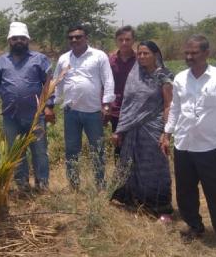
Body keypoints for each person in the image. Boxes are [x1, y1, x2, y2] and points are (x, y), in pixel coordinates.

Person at [162, 35, 216, 254]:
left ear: (206, 53)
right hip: (184, 143)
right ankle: (195, 226)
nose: (189, 57)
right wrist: (167, 133)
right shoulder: (180, 78)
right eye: (187, 53)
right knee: (185, 191)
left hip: (210, 145)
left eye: (194, 53)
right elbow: (175, 108)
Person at [0, 22, 54, 192]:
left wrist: (49, 106)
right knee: (16, 152)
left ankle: (42, 185)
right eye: (15, 39)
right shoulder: (0, 62)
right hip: (10, 116)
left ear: (27, 40)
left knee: (39, 151)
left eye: (22, 38)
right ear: (10, 41)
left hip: (35, 116)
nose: (19, 41)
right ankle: (21, 185)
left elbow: (49, 84)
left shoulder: (39, 59)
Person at [110, 41, 173, 221]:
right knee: (130, 164)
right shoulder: (134, 76)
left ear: (156, 55)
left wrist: (166, 131)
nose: (142, 57)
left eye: (146, 53)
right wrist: (120, 129)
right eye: (140, 54)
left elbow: (169, 105)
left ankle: (161, 207)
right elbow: (127, 105)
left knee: (155, 168)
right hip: (132, 128)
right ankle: (133, 201)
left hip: (154, 128)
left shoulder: (164, 76)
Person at [54, 25, 115, 190]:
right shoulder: (63, 59)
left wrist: (107, 104)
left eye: (78, 37)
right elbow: (57, 83)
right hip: (70, 112)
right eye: (71, 37)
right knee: (71, 150)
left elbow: (108, 80)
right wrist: (52, 104)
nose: (74, 40)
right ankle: (73, 185)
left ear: (86, 38)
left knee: (98, 150)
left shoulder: (99, 56)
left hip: (93, 112)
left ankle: (100, 185)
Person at [107, 26, 136, 159]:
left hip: (137, 110)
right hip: (117, 109)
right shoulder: (110, 61)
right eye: (121, 39)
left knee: (137, 145)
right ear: (116, 41)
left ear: (133, 41)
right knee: (118, 144)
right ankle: (120, 177)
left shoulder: (141, 60)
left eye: (128, 39)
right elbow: (105, 84)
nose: (124, 43)